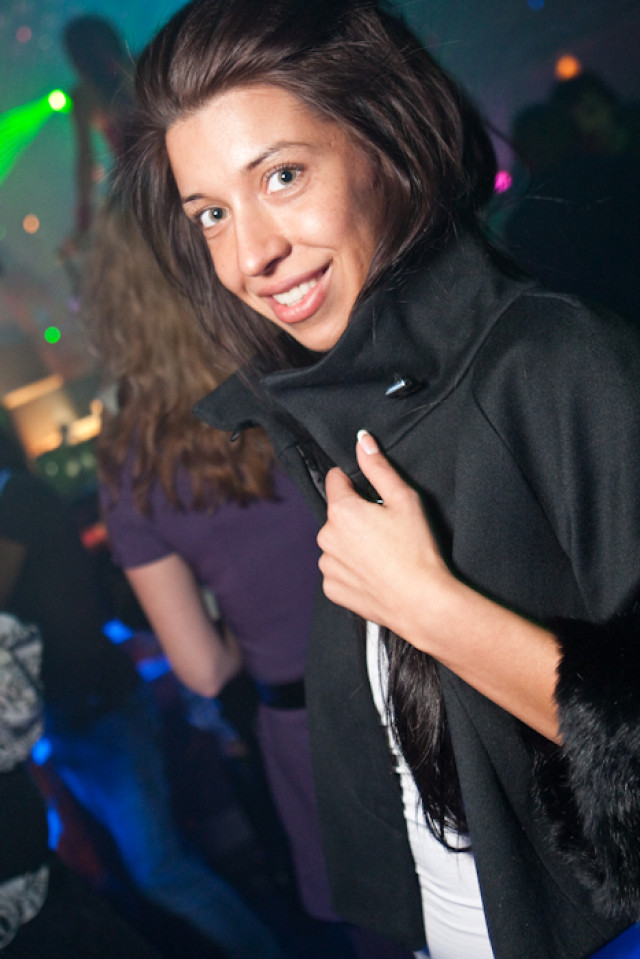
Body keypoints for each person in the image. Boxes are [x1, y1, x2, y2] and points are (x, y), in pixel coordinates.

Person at [120, 1, 640, 957]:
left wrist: (429, 605)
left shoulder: (555, 362)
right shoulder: (333, 416)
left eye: (283, 175)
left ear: (383, 140)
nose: (251, 255)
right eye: (212, 214)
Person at [87, 196, 410, 959]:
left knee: (390, 930)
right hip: (425, 663)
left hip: (312, 729)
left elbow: (201, 669)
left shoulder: (134, 463)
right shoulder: (309, 360)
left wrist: (248, 622)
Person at [0, 428, 288, 959]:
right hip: (70, 718)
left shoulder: (15, 496)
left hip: (102, 709)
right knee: (131, 871)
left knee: (159, 870)